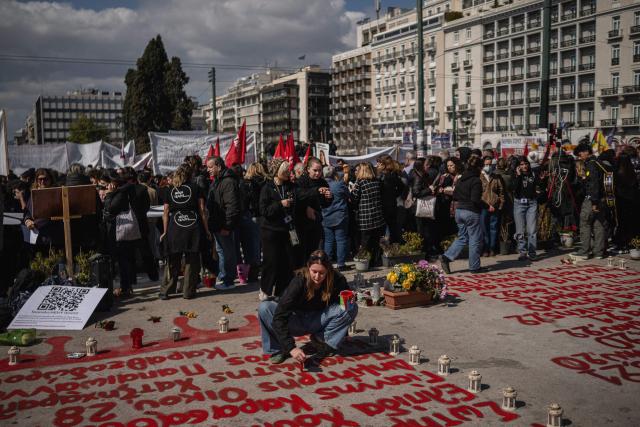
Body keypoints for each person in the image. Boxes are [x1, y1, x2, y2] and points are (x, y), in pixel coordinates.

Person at [258, 250, 357, 364]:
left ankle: (321, 341)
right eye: (314, 271)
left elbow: (346, 306)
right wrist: (291, 348)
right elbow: (280, 315)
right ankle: (278, 349)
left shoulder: (338, 279)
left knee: (351, 306)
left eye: (322, 273)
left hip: (319, 320)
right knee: (265, 307)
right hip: (296, 320)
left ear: (328, 270)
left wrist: (340, 333)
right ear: (308, 267)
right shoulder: (298, 281)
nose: (317, 276)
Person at [159, 165, 210, 300]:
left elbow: (165, 213)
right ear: (190, 175)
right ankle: (188, 291)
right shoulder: (196, 188)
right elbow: (202, 211)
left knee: (172, 261)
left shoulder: (170, 190)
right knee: (192, 262)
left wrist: (164, 231)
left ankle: (165, 291)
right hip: (193, 228)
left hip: (174, 228)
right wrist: (207, 230)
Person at [259, 159, 298, 299]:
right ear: (278, 171)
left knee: (287, 261)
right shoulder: (267, 188)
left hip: (287, 229)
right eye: (286, 170)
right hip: (270, 230)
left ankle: (282, 291)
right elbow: (264, 210)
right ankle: (265, 289)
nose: (289, 172)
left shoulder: (290, 186)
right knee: (271, 261)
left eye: (289, 170)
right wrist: (280, 204)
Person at [439, 156, 485, 274]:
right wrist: (486, 205)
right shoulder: (475, 180)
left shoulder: (460, 179)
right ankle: (474, 267)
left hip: (459, 211)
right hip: (471, 212)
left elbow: (455, 195)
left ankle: (446, 257)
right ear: (479, 168)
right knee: (474, 239)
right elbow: (475, 199)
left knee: (463, 237)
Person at [571, 149, 616, 260]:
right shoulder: (600, 163)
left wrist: (594, 202)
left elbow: (594, 184)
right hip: (602, 199)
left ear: (586, 151)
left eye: (580, 153)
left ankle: (584, 252)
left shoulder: (591, 164)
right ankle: (598, 252)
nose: (580, 156)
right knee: (598, 225)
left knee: (585, 223)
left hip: (592, 199)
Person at [101, 170, 139, 297]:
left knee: (122, 260)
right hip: (118, 230)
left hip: (119, 230)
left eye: (106, 183)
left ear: (113, 182)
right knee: (123, 259)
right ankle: (126, 286)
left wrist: (109, 195)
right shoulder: (123, 190)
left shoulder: (121, 192)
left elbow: (111, 208)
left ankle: (125, 287)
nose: (106, 187)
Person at [206, 157, 242, 290]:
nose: (208, 170)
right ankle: (224, 277)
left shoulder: (228, 182)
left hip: (224, 225)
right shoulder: (217, 181)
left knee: (227, 252)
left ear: (219, 166)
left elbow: (232, 206)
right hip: (217, 224)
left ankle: (228, 280)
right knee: (221, 251)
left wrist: (227, 226)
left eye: (210, 167)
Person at [294, 157, 332, 267]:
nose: (318, 173)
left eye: (320, 170)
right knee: (301, 252)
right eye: (315, 170)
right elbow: (299, 196)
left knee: (315, 251)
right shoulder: (301, 181)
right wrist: (316, 192)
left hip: (315, 221)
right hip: (301, 222)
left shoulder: (323, 182)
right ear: (308, 169)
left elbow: (325, 204)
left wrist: (329, 197)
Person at [350, 162, 385, 264]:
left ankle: (365, 262)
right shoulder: (377, 181)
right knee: (376, 240)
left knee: (365, 242)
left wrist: (352, 191)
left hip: (366, 217)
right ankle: (376, 260)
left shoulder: (361, 183)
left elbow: (354, 199)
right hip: (377, 215)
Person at [513, 158, 542, 261]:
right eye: (522, 164)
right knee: (520, 230)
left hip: (531, 203)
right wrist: (519, 175)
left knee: (532, 230)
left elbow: (539, 185)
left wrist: (538, 191)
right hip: (519, 203)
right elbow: (514, 188)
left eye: (526, 164)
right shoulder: (516, 175)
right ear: (518, 166)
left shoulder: (533, 174)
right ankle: (522, 251)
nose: (524, 166)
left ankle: (532, 252)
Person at [321, 166, 350, 271]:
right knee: (341, 240)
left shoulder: (321, 186)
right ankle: (341, 264)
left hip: (326, 216)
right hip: (340, 216)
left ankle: (327, 264)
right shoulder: (339, 184)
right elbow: (348, 195)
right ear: (334, 174)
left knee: (328, 241)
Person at [377, 155, 406, 244]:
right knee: (392, 226)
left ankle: (390, 246)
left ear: (384, 165)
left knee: (388, 227)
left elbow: (401, 187)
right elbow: (401, 187)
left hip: (385, 206)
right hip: (391, 204)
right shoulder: (392, 175)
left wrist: (393, 195)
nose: (377, 165)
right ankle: (393, 244)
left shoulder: (384, 176)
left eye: (379, 163)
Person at [479, 156, 505, 256]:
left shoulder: (496, 177)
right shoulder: (479, 177)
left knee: (493, 227)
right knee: (484, 228)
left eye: (490, 164)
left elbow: (501, 191)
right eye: (486, 164)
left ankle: (492, 248)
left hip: (495, 205)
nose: (488, 166)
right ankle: (485, 248)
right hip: (483, 206)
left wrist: (501, 203)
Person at [411, 158, 437, 256]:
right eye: (426, 165)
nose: (428, 167)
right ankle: (423, 252)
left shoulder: (421, 174)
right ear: (421, 166)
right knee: (422, 230)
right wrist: (429, 190)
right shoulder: (417, 176)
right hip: (419, 206)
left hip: (422, 205)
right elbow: (416, 192)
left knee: (425, 229)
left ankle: (426, 250)